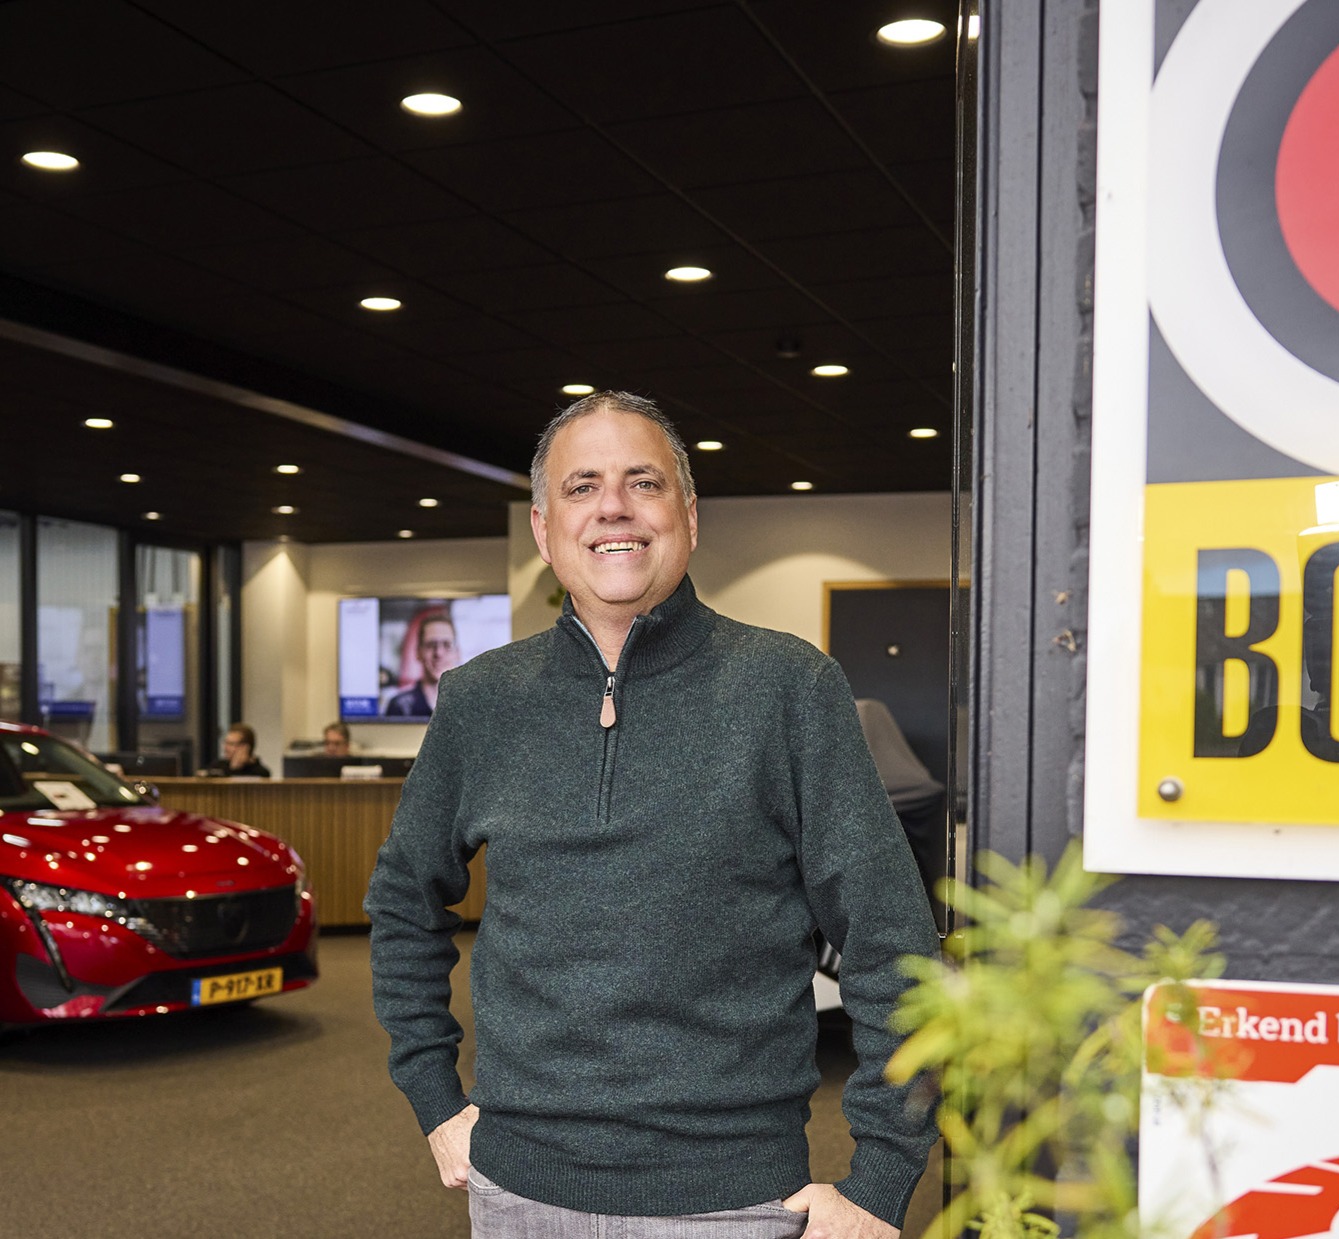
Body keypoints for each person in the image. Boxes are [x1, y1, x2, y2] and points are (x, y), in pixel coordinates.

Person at [365, 391, 938, 1239]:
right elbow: (403, 900)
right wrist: (434, 1095)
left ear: (689, 516)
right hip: (518, 1191)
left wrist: (882, 1176)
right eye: (582, 486)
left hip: (732, 1199)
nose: (613, 507)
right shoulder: (481, 700)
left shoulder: (789, 688)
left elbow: (893, 941)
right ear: (543, 528)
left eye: (643, 482)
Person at [383, 614, 460, 718]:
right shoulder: (399, 707)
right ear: (418, 652)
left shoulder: (469, 705)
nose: (438, 653)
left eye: (447, 645)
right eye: (431, 645)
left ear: (457, 653)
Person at [205, 722, 270, 778]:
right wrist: (232, 768)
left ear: (245, 747)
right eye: (226, 743)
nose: (225, 748)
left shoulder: (260, 772)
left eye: (231, 744)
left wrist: (236, 769)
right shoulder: (217, 767)